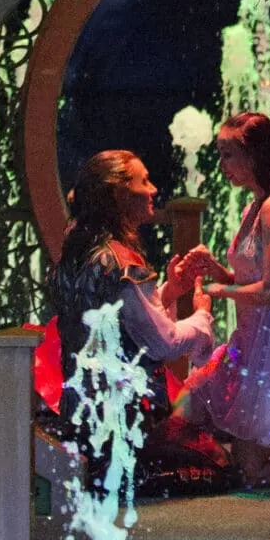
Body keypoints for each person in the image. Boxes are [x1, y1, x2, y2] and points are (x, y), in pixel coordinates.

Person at [49, 148, 223, 485]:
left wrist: (171, 290)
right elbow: (164, 343)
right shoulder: (121, 260)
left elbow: (122, 324)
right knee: (221, 465)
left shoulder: (76, 249)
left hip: (82, 419)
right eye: (144, 182)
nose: (154, 189)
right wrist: (202, 318)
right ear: (118, 195)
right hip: (127, 426)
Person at [179, 111, 270, 486]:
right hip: (250, 341)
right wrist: (218, 272)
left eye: (228, 155)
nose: (222, 165)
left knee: (253, 473)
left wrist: (221, 291)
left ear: (254, 156)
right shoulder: (252, 207)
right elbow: (249, 278)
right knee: (192, 412)